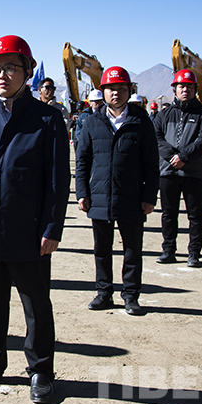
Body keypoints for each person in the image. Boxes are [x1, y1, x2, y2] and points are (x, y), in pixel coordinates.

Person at [0, 35, 70, 404]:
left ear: (27, 71)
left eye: (10, 67)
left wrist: (52, 227)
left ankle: (41, 370)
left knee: (36, 306)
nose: (2, 75)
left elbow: (57, 181)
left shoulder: (48, 119)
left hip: (29, 231)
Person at [75, 66, 159, 316]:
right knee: (102, 249)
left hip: (131, 196)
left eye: (121, 88)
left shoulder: (141, 122)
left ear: (129, 91)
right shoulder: (92, 122)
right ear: (103, 91)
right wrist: (82, 192)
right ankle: (104, 293)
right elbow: (82, 161)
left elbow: (151, 163)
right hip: (99, 196)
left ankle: (131, 295)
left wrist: (149, 196)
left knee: (132, 249)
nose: (116, 93)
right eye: (111, 88)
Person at [154, 69, 202, 267]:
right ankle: (168, 250)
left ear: (195, 89)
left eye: (189, 87)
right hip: (168, 171)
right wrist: (172, 157)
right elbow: (157, 138)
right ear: (174, 89)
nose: (185, 90)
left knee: (195, 214)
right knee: (168, 214)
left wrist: (184, 157)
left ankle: (194, 253)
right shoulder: (164, 115)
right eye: (181, 86)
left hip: (193, 172)